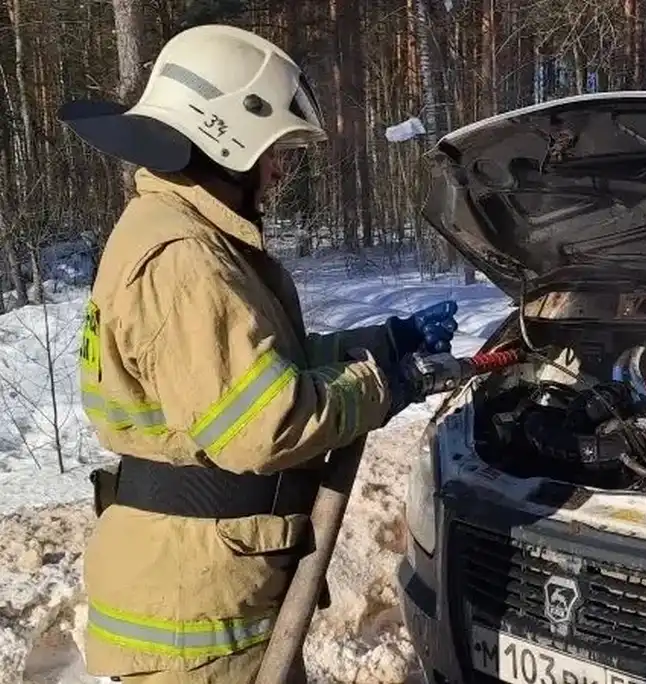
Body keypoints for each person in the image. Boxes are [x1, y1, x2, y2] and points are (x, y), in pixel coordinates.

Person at [58, 24, 458, 684]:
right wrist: (384, 383)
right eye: (273, 151)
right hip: (192, 621)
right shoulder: (186, 260)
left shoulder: (184, 236)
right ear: (224, 139)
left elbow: (263, 365)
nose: (279, 170)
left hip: (198, 593)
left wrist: (384, 344)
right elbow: (265, 423)